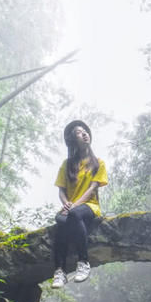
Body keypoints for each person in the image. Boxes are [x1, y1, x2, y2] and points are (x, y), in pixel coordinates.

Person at [51, 120, 108, 288]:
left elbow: (93, 188)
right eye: (78, 132)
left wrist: (74, 205)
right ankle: (59, 271)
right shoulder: (66, 164)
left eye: (85, 131)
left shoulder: (98, 163)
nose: (84, 133)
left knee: (74, 215)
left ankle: (83, 262)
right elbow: (61, 190)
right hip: (71, 207)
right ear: (72, 140)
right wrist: (66, 203)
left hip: (89, 206)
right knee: (60, 221)